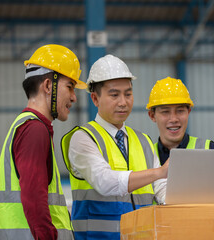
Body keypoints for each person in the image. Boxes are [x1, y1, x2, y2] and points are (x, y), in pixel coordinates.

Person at [61, 54, 168, 240]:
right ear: (95, 99)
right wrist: (159, 172)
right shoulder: (83, 138)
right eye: (114, 95)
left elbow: (161, 190)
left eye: (128, 94)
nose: (123, 102)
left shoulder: (144, 141)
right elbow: (105, 182)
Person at [0, 44, 87, 240]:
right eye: (70, 87)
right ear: (48, 85)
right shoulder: (34, 130)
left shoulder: (26, 126)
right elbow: (34, 200)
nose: (74, 97)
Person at [147, 77, 214, 165]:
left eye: (180, 111)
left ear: (188, 112)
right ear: (152, 115)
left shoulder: (210, 150)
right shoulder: (146, 156)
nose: (174, 119)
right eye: (165, 112)